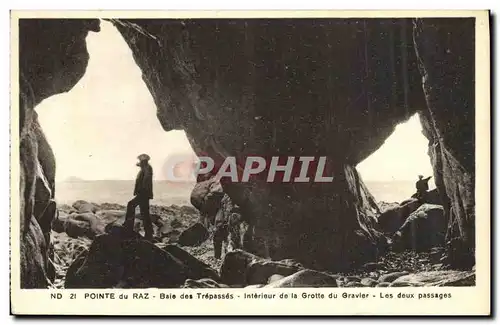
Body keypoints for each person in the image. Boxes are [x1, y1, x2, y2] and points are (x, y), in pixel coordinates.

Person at [123, 154, 154, 240]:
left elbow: (146, 181)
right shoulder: (145, 169)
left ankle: (128, 227)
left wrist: (141, 192)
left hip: (143, 194)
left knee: (131, 205)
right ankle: (149, 234)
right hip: (143, 194)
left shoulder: (147, 169)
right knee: (145, 213)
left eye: (141, 162)